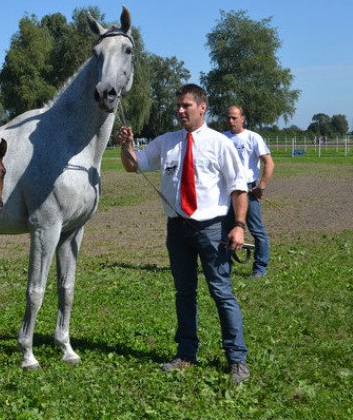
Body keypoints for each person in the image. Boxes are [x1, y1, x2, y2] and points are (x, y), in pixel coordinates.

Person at [116, 84, 250, 383]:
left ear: (202, 107)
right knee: (184, 294)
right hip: (177, 230)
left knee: (222, 293)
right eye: (178, 105)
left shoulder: (220, 144)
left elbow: (238, 188)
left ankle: (237, 358)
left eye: (186, 105)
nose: (180, 110)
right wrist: (126, 147)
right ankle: (186, 354)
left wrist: (239, 226)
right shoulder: (166, 142)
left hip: (212, 229)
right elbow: (133, 167)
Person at [224, 105, 275, 278]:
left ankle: (260, 268)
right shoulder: (222, 138)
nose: (231, 121)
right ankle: (225, 266)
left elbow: (269, 163)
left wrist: (261, 186)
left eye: (234, 117)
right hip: (227, 191)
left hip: (248, 190)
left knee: (257, 231)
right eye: (229, 118)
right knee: (225, 230)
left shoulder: (253, 138)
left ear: (242, 118)